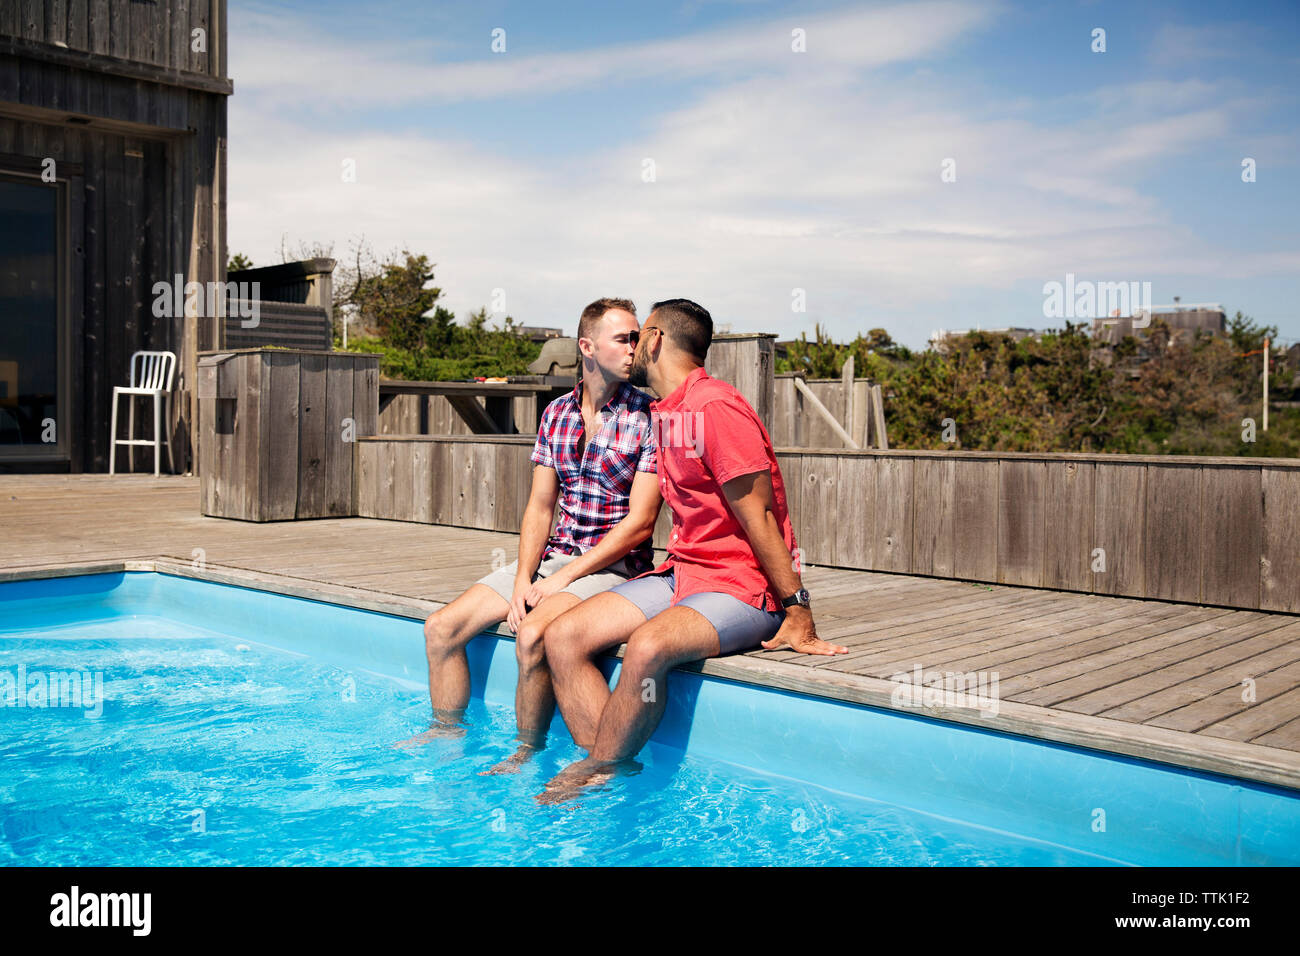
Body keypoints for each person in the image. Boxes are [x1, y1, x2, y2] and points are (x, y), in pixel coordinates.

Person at [539, 298, 847, 801]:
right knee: (564, 635)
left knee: (646, 647)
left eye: (639, 337)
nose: (632, 346)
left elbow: (761, 516)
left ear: (656, 340)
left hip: (743, 587)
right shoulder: (666, 410)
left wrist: (798, 609)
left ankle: (598, 770)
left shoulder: (714, 407)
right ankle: (610, 764)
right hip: (684, 572)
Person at [399, 297, 662, 775]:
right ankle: (447, 733)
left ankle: (527, 749)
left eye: (637, 338)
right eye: (625, 338)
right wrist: (524, 579)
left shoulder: (650, 417)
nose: (635, 349)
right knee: (440, 628)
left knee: (534, 635)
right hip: (553, 559)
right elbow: (540, 507)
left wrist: (559, 583)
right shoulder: (556, 414)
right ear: (587, 346)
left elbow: (641, 524)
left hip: (610, 568)